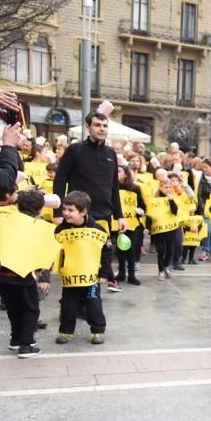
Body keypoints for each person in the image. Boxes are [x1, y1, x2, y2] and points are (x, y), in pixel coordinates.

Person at [53, 112, 125, 290]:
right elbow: (60, 180)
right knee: (78, 260)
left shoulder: (111, 154)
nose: (102, 129)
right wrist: (57, 213)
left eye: (105, 125)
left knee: (100, 259)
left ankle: (92, 298)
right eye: (97, 125)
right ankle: (73, 301)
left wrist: (120, 215)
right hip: (79, 216)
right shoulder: (75, 150)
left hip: (104, 215)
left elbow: (114, 187)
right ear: (87, 127)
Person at [0, 190, 53, 357]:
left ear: (18, 205)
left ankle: (15, 339)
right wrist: (44, 277)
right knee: (30, 309)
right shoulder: (41, 226)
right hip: (25, 274)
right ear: (40, 209)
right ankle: (26, 345)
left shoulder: (4, 221)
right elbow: (46, 254)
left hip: (3, 274)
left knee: (13, 308)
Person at [54, 191, 109, 345]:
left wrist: (104, 273)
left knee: (93, 305)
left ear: (84, 211)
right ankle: (65, 332)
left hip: (91, 278)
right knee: (68, 306)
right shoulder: (60, 230)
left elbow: (107, 251)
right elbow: (54, 252)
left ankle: (98, 331)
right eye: (64, 209)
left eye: (71, 210)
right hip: (70, 278)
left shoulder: (98, 229)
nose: (65, 213)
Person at [115, 164, 145, 286]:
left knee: (131, 249)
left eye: (119, 171)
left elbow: (142, 205)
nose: (117, 173)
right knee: (120, 248)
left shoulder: (135, 188)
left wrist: (141, 211)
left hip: (132, 223)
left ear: (126, 174)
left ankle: (131, 275)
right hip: (117, 223)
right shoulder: (112, 187)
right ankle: (121, 273)